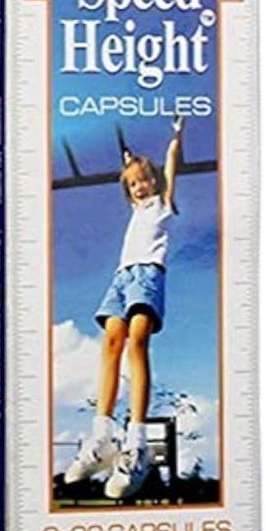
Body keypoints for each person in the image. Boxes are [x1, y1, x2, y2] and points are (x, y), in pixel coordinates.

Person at [64, 116, 184, 498]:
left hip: (148, 274)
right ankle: (102, 438)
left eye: (145, 179)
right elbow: (129, 170)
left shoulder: (163, 205)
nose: (140, 185)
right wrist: (128, 161)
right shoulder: (136, 209)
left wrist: (176, 138)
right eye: (134, 183)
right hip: (121, 277)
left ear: (156, 182)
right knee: (112, 341)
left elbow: (170, 166)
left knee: (137, 341)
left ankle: (136, 442)